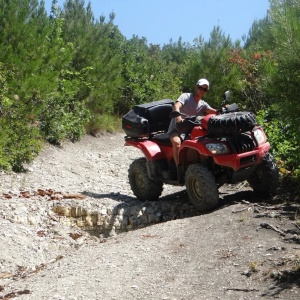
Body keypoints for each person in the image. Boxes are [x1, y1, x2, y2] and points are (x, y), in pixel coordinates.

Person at [168, 78, 218, 168]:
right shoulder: (186, 96)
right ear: (196, 87)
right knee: (177, 143)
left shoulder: (202, 104)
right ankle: (178, 169)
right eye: (200, 88)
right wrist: (179, 118)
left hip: (190, 130)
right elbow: (176, 106)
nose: (202, 90)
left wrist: (225, 110)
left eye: (205, 89)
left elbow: (213, 111)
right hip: (177, 128)